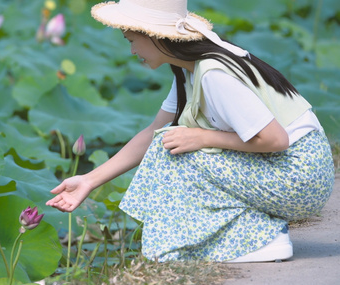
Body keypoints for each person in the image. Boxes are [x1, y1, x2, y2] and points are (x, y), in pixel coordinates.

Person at [46, 0, 335, 263]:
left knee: (177, 149)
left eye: (132, 40)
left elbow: (276, 139)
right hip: (287, 172)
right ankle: (248, 234)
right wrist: (88, 180)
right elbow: (152, 132)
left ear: (155, 36)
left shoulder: (214, 74)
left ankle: (262, 239)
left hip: (300, 176)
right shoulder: (189, 70)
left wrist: (203, 137)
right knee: (169, 141)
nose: (132, 50)